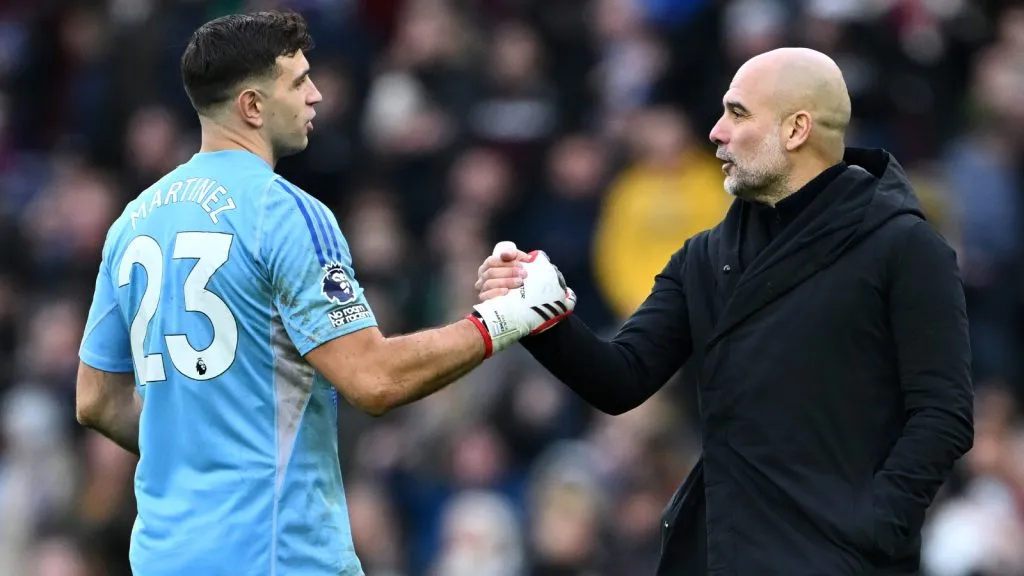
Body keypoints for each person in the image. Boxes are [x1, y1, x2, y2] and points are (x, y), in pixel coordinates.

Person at [73, 11, 574, 576]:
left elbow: (96, 399)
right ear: (252, 107)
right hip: (278, 555)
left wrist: (196, 459)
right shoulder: (283, 211)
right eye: (298, 82)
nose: (316, 96)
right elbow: (374, 379)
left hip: (164, 557)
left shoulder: (133, 222)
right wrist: (511, 316)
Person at [477, 47, 974, 575]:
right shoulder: (705, 256)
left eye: (737, 113)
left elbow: (943, 414)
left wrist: (873, 527)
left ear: (796, 129)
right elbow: (620, 378)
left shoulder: (904, 246)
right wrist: (536, 314)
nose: (715, 132)